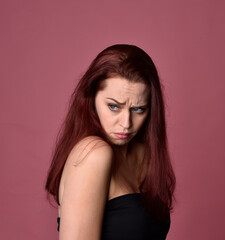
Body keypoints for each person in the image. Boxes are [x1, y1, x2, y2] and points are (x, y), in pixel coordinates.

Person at [45, 44, 176, 240]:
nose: (126, 124)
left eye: (138, 109)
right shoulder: (93, 154)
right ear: (91, 98)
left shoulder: (142, 153)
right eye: (114, 106)